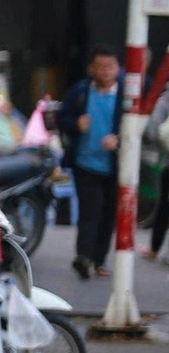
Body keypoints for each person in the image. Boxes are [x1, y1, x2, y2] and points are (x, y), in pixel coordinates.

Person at [57, 46, 123, 280]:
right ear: (92, 69)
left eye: (110, 66)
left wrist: (119, 139)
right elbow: (61, 118)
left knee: (108, 214)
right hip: (86, 164)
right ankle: (83, 258)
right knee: (89, 212)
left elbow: (139, 127)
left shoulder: (125, 95)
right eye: (101, 66)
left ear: (117, 68)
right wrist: (76, 124)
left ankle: (99, 260)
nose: (105, 71)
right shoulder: (81, 92)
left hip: (116, 166)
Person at [146, 86, 169, 266]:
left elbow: (153, 128)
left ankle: (155, 249)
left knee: (164, 205)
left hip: (168, 161)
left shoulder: (166, 99)